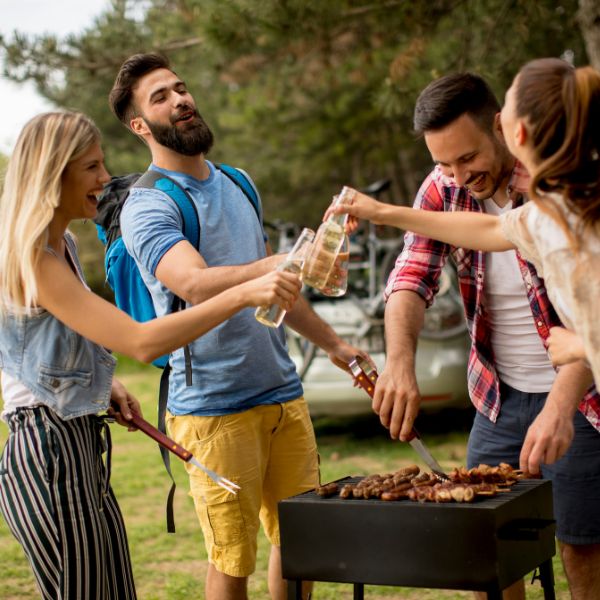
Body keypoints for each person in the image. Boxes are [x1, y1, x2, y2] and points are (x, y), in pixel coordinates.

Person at [0, 111, 302, 600]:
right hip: (46, 451)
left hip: (78, 443)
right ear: (55, 173)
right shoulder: (31, 257)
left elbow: (37, 343)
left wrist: (104, 385)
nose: (106, 179)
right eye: (92, 167)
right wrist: (245, 291)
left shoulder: (65, 244)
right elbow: (142, 342)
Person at [331, 64, 600, 600]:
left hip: (580, 397)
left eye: (468, 157)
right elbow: (423, 267)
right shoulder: (449, 188)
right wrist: (399, 363)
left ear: (505, 128)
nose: (456, 175)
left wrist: (565, 384)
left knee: (581, 546)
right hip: (499, 398)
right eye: (442, 163)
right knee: (484, 551)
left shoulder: (558, 195)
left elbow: (583, 317)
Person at [108, 53, 367, 600]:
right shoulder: (146, 206)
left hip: (282, 392)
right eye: (160, 97)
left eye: (180, 88)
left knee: (303, 546)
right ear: (139, 126)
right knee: (232, 561)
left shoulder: (239, 182)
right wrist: (275, 265)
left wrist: (336, 345)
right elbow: (196, 283)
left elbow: (278, 287)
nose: (180, 99)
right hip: (213, 410)